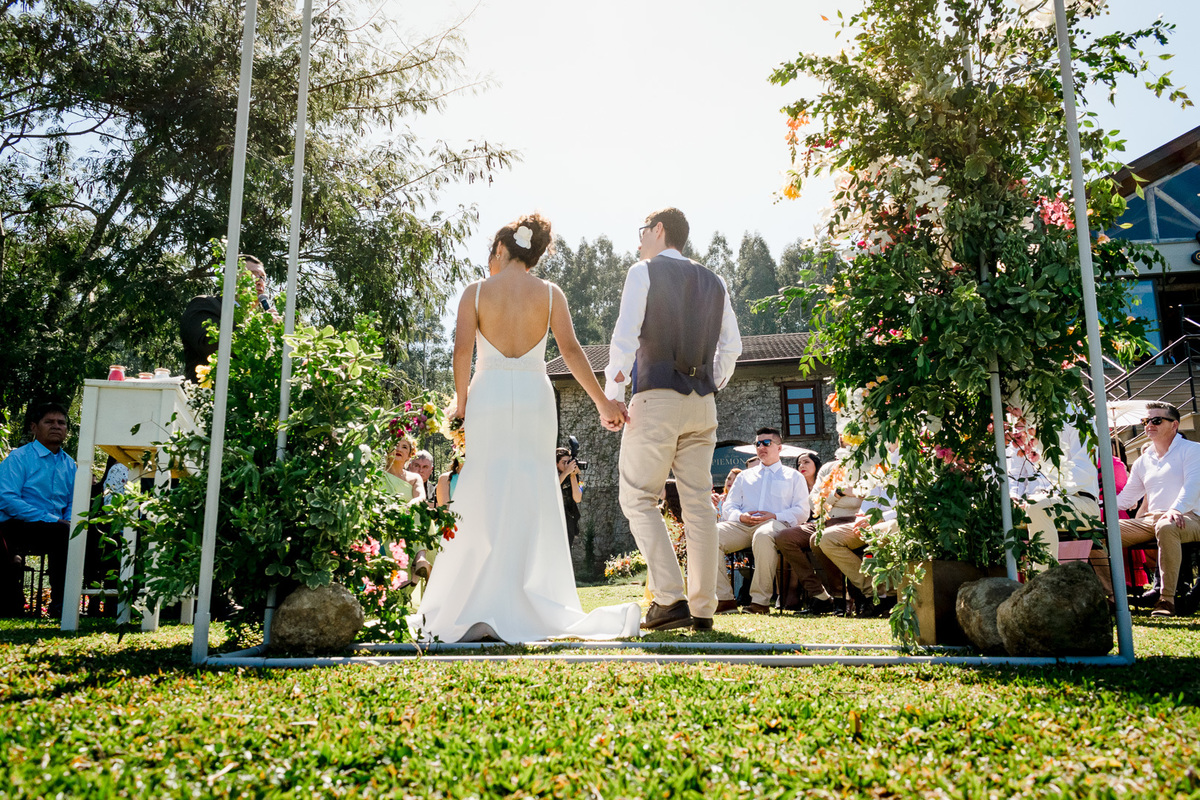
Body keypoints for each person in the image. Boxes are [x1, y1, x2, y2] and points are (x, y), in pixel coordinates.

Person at [409, 213, 639, 642]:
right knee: (534, 484)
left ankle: (473, 598)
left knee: (482, 483)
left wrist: (460, 402)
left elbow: (462, 352)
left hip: (489, 394)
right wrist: (602, 401)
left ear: (501, 249)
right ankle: (533, 597)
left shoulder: (475, 293)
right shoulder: (551, 294)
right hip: (536, 396)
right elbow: (570, 351)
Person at [604, 207, 742, 632]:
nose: (639, 239)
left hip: (657, 397)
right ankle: (703, 608)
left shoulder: (643, 272)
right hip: (703, 404)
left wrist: (613, 394)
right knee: (699, 503)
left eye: (642, 230)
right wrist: (709, 382)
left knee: (637, 497)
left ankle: (669, 598)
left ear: (659, 230)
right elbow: (732, 346)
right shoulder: (715, 281)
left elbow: (625, 338)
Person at [1089, 402, 1200, 617]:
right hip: (1152, 520)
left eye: (1156, 420)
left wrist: (1175, 509)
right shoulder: (1143, 460)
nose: (1149, 425)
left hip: (1190, 516)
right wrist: (1093, 507)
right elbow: (1125, 499)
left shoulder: (1193, 450)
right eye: (1145, 421)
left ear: (1174, 425)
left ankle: (1166, 601)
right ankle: (1114, 597)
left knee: (1167, 526)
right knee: (1095, 533)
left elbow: (1192, 488)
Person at [714, 428, 810, 615]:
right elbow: (729, 506)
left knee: (763, 535)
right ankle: (724, 599)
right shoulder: (744, 476)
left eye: (767, 443)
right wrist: (740, 516)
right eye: (758, 443)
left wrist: (774, 516)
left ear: (779, 448)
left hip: (775, 524)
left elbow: (802, 511)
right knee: (711, 534)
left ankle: (760, 602)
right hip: (742, 525)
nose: (761, 447)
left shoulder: (793, 476)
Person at [0, 402, 76, 617]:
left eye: (61, 423)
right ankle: (59, 606)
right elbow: (6, 499)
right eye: (49, 422)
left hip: (55, 529)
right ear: (34, 427)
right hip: (16, 526)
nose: (56, 426)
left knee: (78, 534)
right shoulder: (19, 458)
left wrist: (69, 520)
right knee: (62, 533)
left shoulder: (70, 464)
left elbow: (73, 501)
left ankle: (65, 605)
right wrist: (53, 519)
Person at [1006, 407, 1100, 572]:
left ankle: (1043, 583)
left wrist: (1049, 493)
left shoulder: (1079, 417)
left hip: (1080, 501)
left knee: (1038, 507)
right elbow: (1014, 473)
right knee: (1001, 511)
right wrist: (1013, 497)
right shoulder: (1025, 419)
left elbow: (1084, 469)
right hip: (1033, 502)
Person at [775, 441, 862, 615]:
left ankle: (842, 598)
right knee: (784, 537)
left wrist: (831, 497)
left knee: (821, 539)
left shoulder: (864, 465)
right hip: (824, 521)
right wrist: (838, 493)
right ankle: (820, 594)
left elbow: (861, 497)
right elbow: (814, 503)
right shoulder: (827, 469)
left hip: (853, 521)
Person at [180, 254, 277, 382]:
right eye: (253, 274)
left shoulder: (256, 323)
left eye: (263, 277)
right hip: (210, 397)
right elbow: (210, 346)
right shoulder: (205, 304)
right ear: (231, 278)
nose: (259, 281)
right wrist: (257, 327)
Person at [556, 447, 583, 546]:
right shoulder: (552, 476)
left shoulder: (577, 476)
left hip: (569, 519)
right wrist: (566, 472)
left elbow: (578, 498)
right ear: (556, 463)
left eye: (569, 462)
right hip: (554, 518)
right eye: (564, 462)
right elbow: (551, 488)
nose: (567, 465)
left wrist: (573, 476)